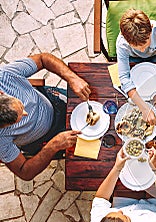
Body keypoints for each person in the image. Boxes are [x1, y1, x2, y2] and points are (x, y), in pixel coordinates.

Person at [0, 53, 90, 181]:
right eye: (17, 121)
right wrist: (53, 146)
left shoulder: (4, 76)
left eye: (21, 107)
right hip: (47, 138)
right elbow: (24, 172)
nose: (26, 114)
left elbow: (43, 59)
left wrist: (72, 78)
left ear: (2, 92)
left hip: (54, 101)